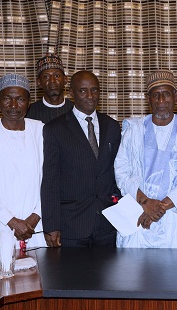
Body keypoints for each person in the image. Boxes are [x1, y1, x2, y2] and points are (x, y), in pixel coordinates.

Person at [114, 70, 177, 248]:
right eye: (156, 95)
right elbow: (121, 172)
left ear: (176, 97)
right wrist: (145, 203)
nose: (161, 101)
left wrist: (158, 208)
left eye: (166, 94)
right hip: (138, 216)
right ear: (147, 98)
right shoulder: (133, 130)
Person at [41, 70, 121, 247]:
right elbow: (50, 181)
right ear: (71, 93)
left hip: (107, 225)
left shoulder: (113, 126)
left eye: (95, 90)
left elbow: (117, 173)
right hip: (71, 226)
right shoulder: (55, 129)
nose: (90, 96)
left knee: (110, 276)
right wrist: (51, 225)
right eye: (83, 91)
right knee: (72, 276)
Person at [0, 74, 47, 249]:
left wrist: (36, 216)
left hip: (37, 229)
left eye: (20, 99)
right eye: (7, 98)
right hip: (3, 228)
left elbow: (51, 178)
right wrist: (11, 221)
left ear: (28, 102)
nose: (13, 106)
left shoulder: (40, 130)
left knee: (40, 276)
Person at [26, 53, 74, 123]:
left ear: (65, 80)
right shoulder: (30, 112)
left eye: (57, 76)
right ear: (39, 83)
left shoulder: (75, 110)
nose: (52, 81)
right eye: (46, 77)